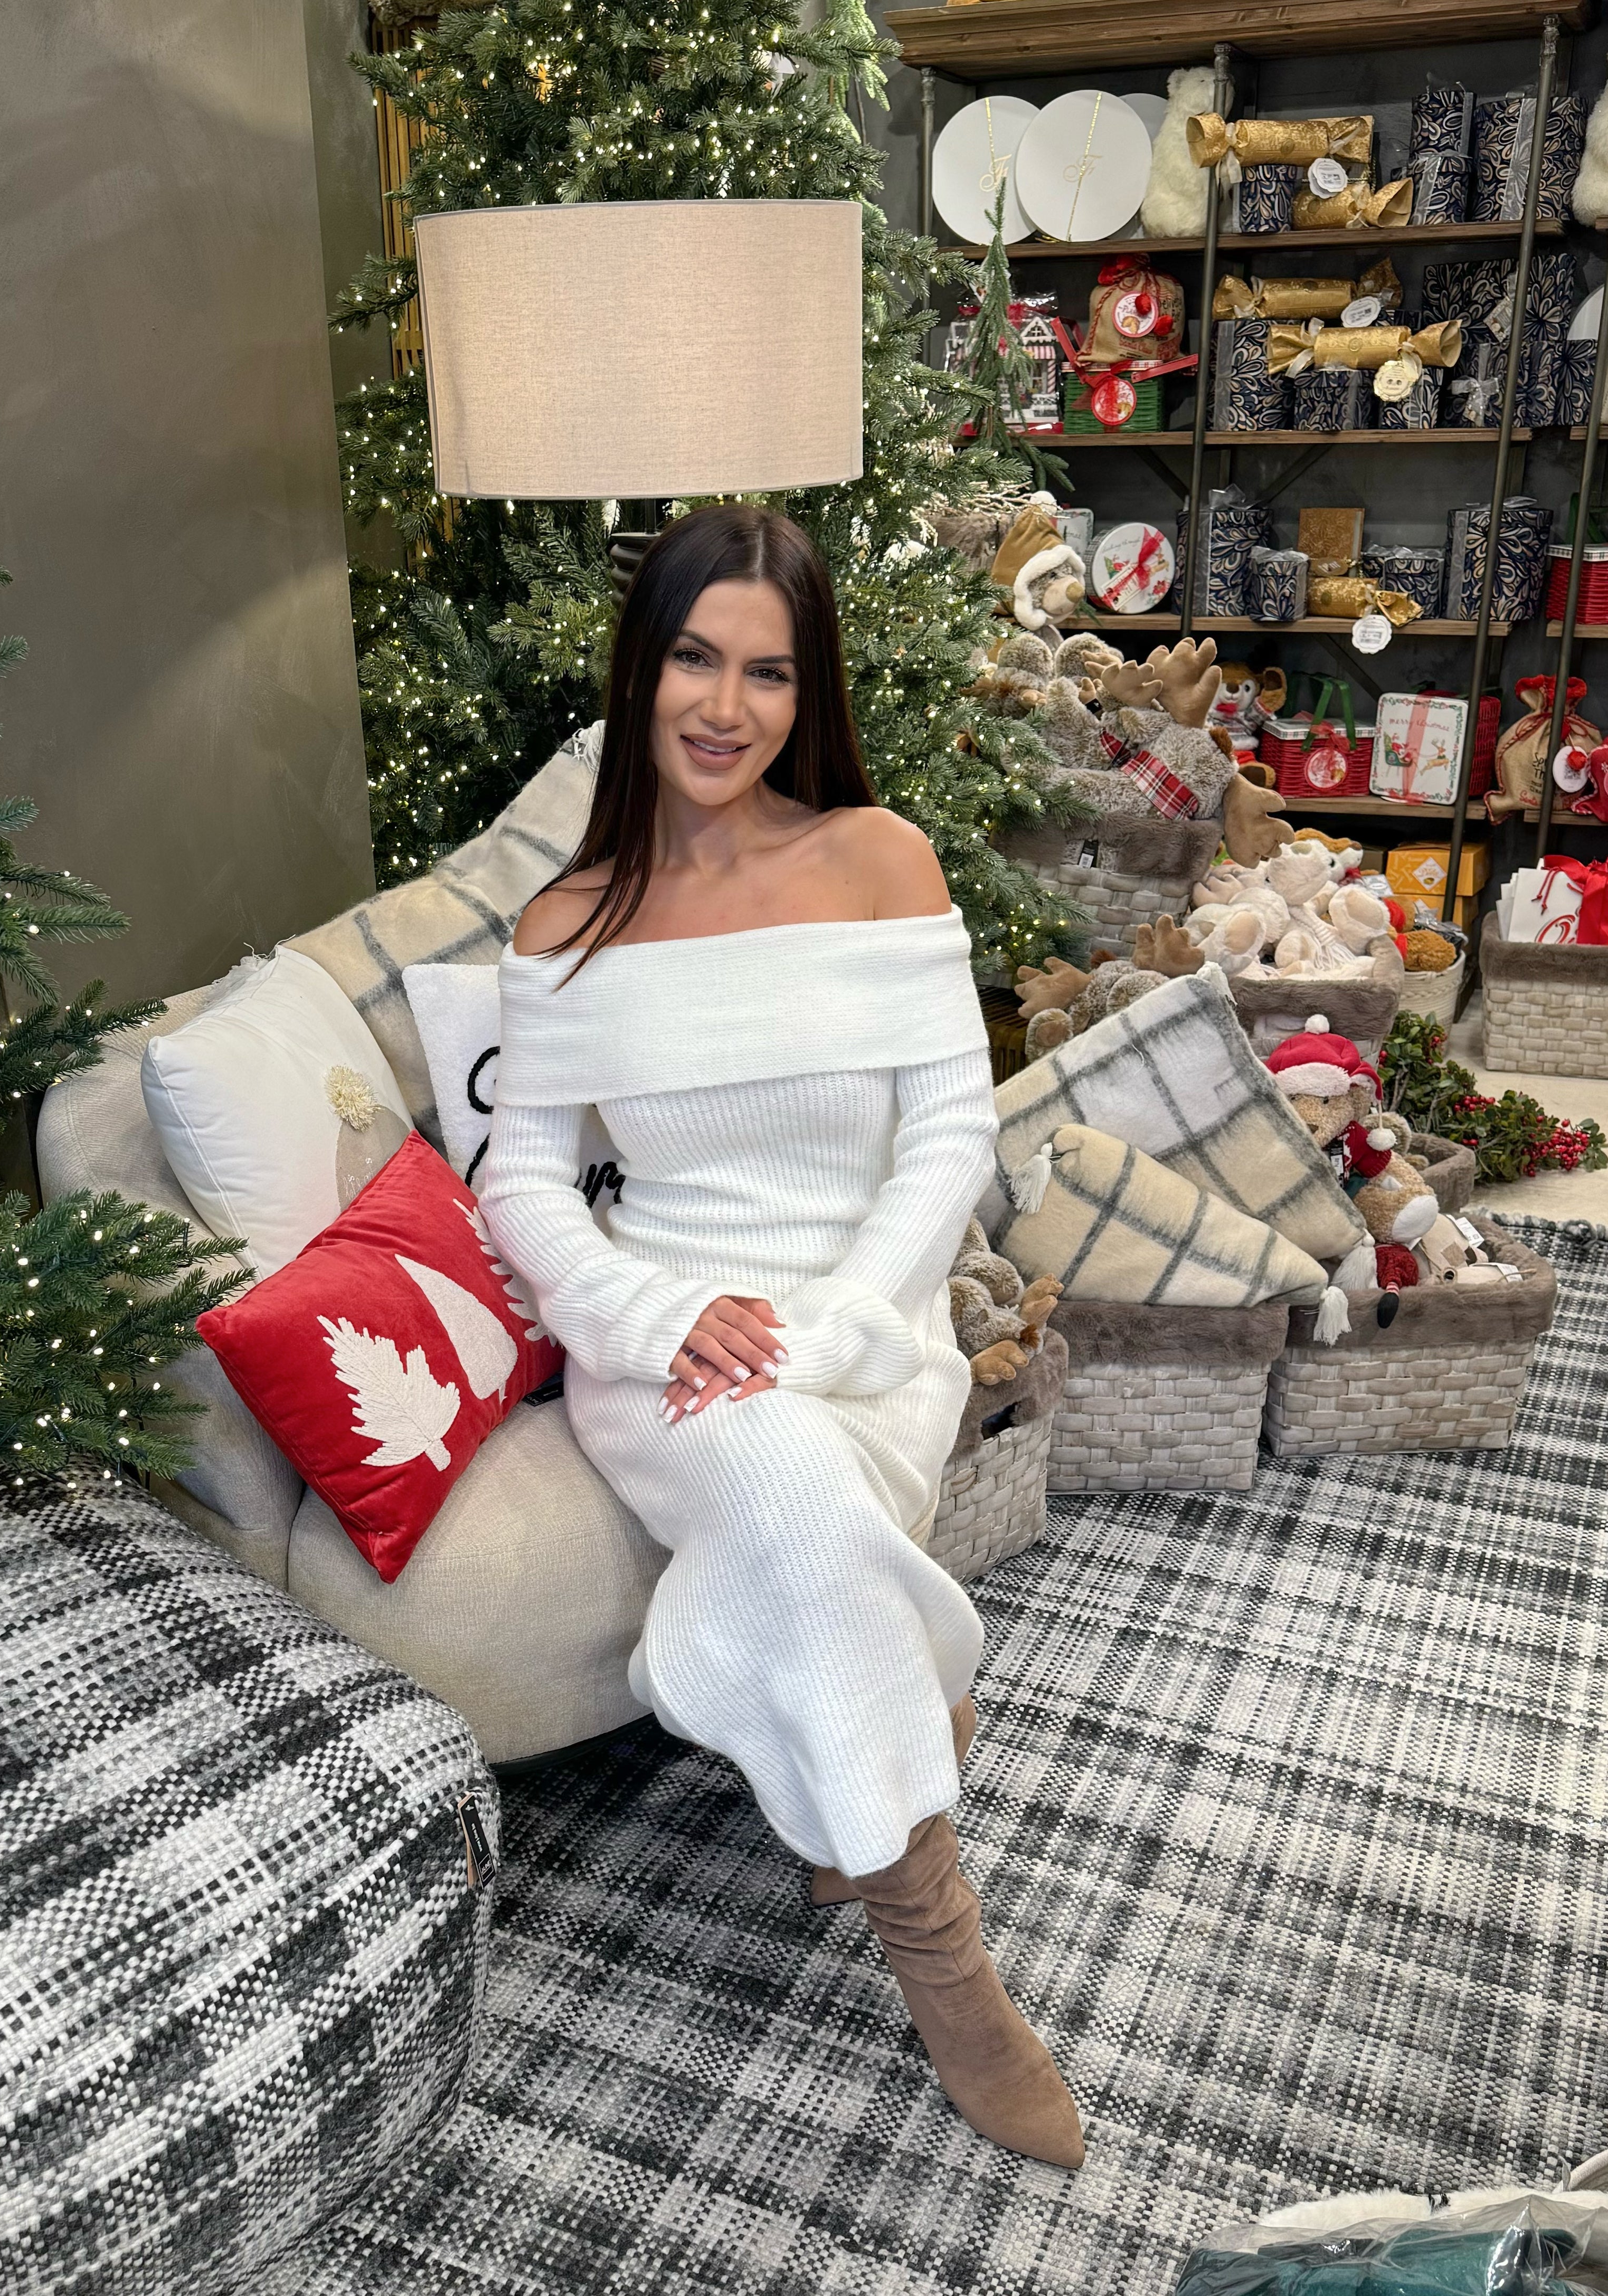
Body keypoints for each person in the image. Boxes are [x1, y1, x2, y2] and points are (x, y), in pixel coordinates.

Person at [477, 502, 1084, 2168]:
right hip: (673, 1347)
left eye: (767, 671)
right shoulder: (568, 923)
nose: (725, 706)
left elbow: (948, 1140)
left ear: (807, 691)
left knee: (812, 1495)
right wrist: (661, 1313)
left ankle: (870, 1755)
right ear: (641, 667)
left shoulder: (879, 861)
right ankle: (945, 1960)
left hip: (866, 1323)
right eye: (694, 658)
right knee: (800, 1511)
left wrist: (834, 1325)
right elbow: (525, 1184)